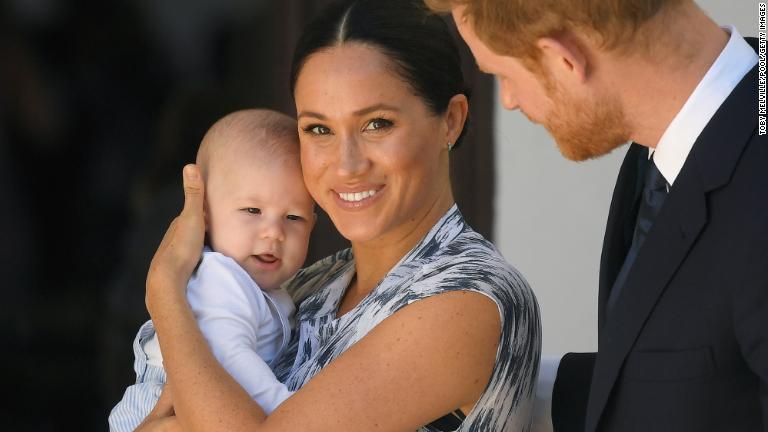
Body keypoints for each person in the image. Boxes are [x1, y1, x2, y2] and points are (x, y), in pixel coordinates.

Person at [136, 0, 541, 431]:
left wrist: (165, 293)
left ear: (451, 121)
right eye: (318, 129)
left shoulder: (469, 298)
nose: (346, 165)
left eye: (377, 124)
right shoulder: (311, 285)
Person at [425, 0, 766, 430]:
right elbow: (702, 380)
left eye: (501, 75)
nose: (508, 101)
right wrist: (481, 379)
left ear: (564, 60)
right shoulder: (666, 148)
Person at [109, 109, 316, 431]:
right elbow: (230, 359)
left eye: (293, 218)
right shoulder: (220, 279)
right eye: (252, 210)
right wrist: (287, 412)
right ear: (203, 213)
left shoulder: (260, 286)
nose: (273, 232)